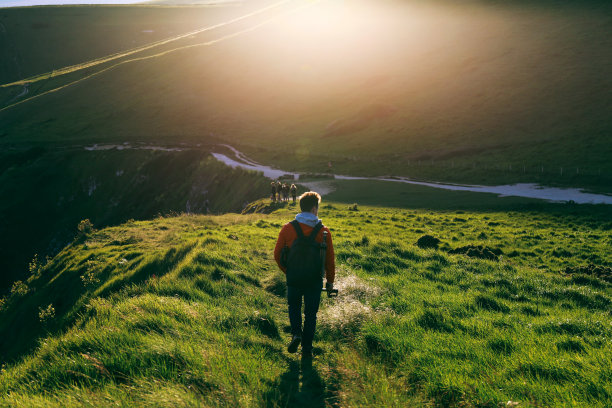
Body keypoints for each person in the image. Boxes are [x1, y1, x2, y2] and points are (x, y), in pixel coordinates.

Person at [274, 191, 335, 359]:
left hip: (294, 278)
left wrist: (288, 271)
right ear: (315, 209)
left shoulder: (287, 228)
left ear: (301, 208)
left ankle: (296, 335)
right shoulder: (324, 232)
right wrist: (329, 283)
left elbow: (277, 254)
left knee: (293, 307)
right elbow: (330, 261)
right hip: (314, 280)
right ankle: (307, 348)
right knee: (310, 314)